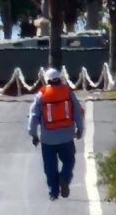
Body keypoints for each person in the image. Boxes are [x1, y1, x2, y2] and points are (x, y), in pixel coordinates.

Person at [28, 68, 84, 200]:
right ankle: (64, 177)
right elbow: (77, 111)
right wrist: (80, 129)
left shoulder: (41, 95)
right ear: (60, 78)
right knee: (69, 160)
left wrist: (33, 134)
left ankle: (53, 192)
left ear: (47, 80)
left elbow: (34, 116)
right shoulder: (68, 92)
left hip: (48, 139)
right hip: (66, 137)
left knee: (49, 166)